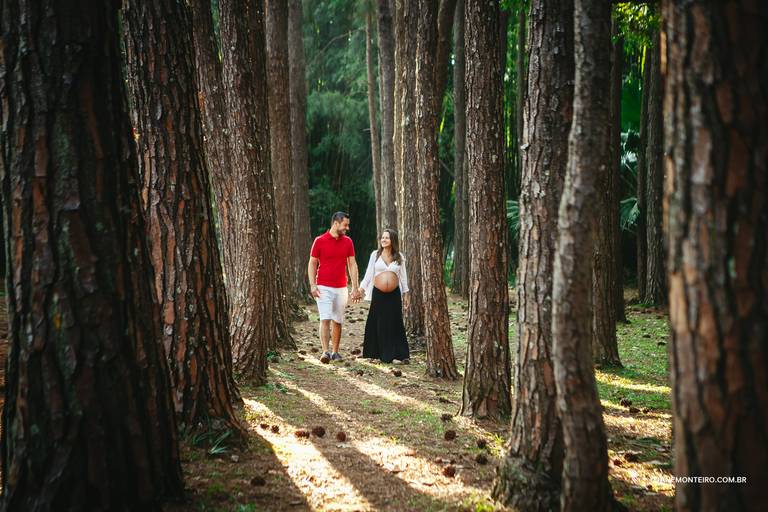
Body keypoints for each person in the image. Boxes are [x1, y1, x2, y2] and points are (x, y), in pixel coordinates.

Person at [308, 212, 359, 363]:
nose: (347, 228)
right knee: (325, 318)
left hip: (341, 287)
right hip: (323, 286)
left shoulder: (348, 242)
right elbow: (312, 263)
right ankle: (325, 352)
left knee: (338, 320)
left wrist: (355, 287)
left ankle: (335, 352)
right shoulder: (319, 241)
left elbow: (352, 264)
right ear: (336, 223)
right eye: (345, 225)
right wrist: (312, 284)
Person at [356, 229, 410, 364]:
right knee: (377, 321)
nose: (383, 240)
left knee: (394, 321)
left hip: (394, 294)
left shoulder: (399, 257)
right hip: (378, 293)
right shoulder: (375, 254)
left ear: (393, 240)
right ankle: (375, 354)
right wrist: (360, 290)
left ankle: (397, 355)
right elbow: (369, 275)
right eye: (382, 237)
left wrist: (406, 294)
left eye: (387, 238)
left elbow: (403, 278)